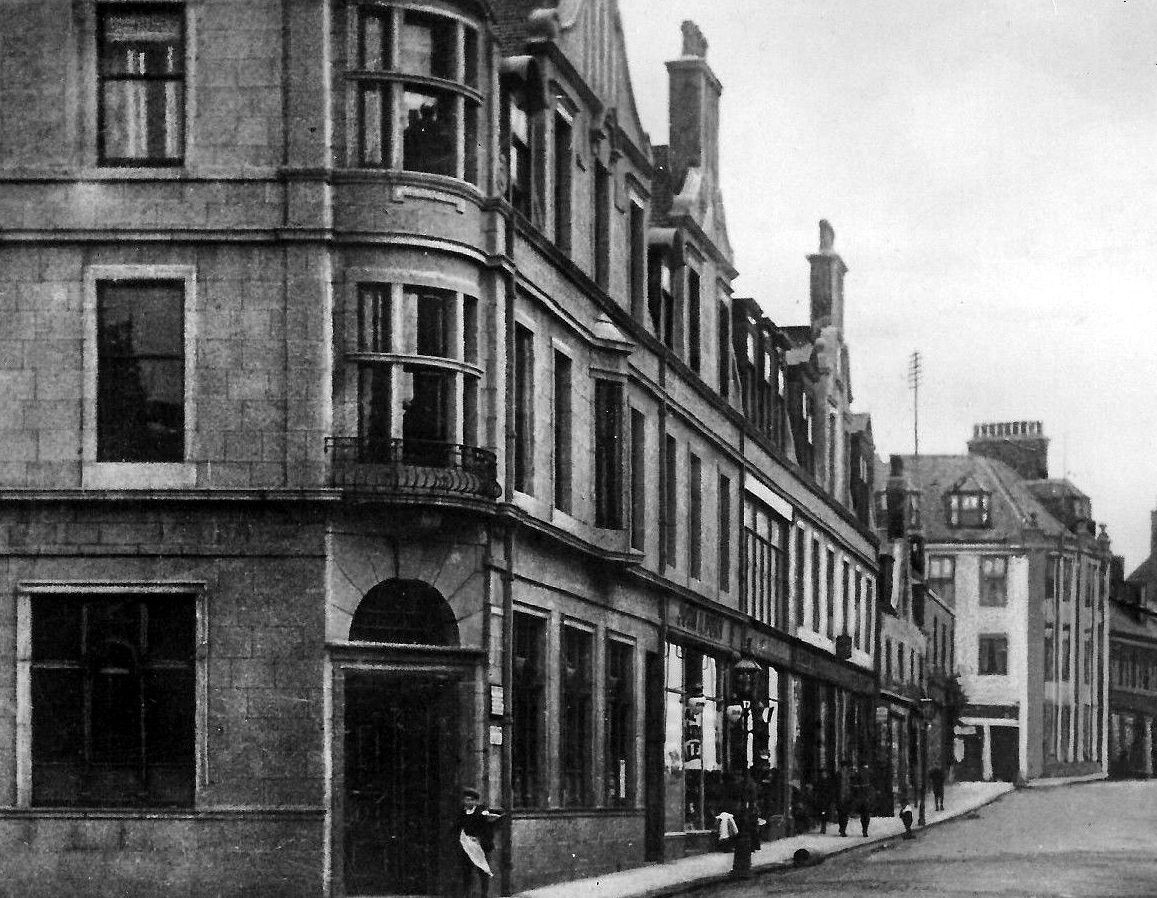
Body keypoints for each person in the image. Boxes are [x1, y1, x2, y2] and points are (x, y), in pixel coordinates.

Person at [457, 787, 501, 898]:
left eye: (471, 800)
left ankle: (484, 894)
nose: (468, 802)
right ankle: (467, 894)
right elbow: (458, 826)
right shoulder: (462, 813)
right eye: (466, 799)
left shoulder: (481, 812)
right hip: (466, 845)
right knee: (466, 872)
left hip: (479, 846)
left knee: (482, 871)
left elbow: (489, 825)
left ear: (476, 801)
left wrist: (482, 839)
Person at [853, 764, 876, 837]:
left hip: (861, 797)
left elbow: (855, 786)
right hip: (866, 797)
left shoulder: (858, 774)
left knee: (864, 814)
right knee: (866, 815)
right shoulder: (870, 774)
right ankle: (865, 830)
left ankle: (864, 829)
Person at [835, 759, 854, 837]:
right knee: (841, 814)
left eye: (846, 767)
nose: (845, 768)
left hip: (847, 797)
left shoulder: (848, 775)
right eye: (844, 767)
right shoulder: (838, 775)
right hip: (840, 797)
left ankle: (843, 829)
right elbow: (835, 787)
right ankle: (842, 828)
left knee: (845, 815)